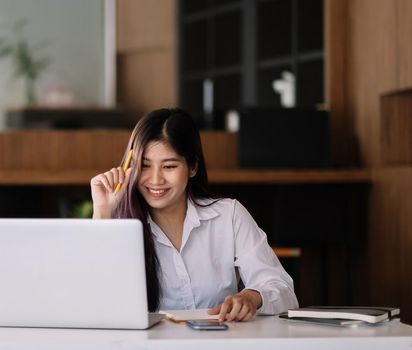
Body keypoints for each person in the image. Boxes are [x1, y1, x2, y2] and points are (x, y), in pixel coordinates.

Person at [90, 108, 298, 322]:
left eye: (169, 166)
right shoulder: (119, 226)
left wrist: (252, 297)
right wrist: (103, 210)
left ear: (193, 167)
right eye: (144, 166)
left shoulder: (228, 215)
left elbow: (282, 289)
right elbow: (95, 303)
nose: (155, 179)